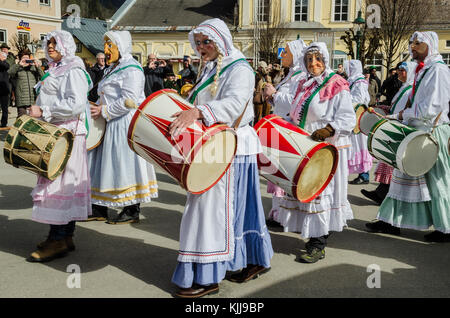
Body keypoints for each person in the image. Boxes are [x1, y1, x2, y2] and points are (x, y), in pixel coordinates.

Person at [168, 18, 273, 298]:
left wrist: (199, 112)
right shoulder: (211, 68)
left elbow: (234, 104)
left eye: (207, 42)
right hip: (217, 144)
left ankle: (210, 275)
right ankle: (250, 260)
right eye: (198, 43)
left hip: (231, 146)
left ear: (221, 40)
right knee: (233, 210)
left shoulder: (239, 68)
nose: (201, 48)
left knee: (217, 212)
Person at [366, 31, 450, 242]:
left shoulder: (438, 70)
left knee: (438, 182)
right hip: (417, 130)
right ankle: (390, 222)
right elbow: (416, 105)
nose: (412, 46)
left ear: (429, 46)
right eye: (412, 43)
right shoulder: (424, 71)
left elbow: (432, 108)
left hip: (433, 132)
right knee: (401, 179)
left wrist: (403, 114)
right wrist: (397, 116)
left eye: (418, 43)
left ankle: (446, 228)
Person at [276, 42, 356, 263]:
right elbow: (295, 112)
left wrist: (330, 129)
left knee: (318, 194)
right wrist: (286, 125)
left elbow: (348, 117)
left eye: (317, 58)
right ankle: (313, 234)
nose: (313, 63)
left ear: (326, 59)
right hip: (305, 144)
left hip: (326, 147)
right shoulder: (305, 84)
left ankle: (318, 244)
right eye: (309, 59)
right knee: (306, 190)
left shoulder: (337, 84)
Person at [25, 30, 92, 262]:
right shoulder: (58, 67)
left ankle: (57, 239)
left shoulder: (73, 68)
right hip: (57, 132)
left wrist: (44, 111)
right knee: (62, 184)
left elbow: (76, 104)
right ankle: (64, 236)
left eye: (54, 43)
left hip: (68, 135)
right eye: (48, 42)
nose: (50, 46)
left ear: (65, 45)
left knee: (59, 185)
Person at [88, 30, 158, 224]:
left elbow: (130, 100)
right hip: (110, 123)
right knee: (103, 165)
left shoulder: (132, 69)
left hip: (125, 123)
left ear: (121, 46)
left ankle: (131, 209)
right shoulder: (112, 68)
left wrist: (103, 110)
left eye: (110, 46)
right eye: (105, 46)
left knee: (125, 164)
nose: (106, 50)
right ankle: (99, 207)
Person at [262, 38, 307, 228]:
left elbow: (296, 103)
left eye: (286, 52)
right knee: (279, 173)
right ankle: (279, 213)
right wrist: (272, 97)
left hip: (290, 130)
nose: (282, 55)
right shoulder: (292, 74)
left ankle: (286, 216)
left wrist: (274, 94)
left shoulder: (301, 76)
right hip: (281, 128)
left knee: (287, 174)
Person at [361, 62, 416, 205]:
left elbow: (406, 110)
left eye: (403, 70)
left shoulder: (411, 90)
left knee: (392, 166)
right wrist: (384, 108)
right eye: (399, 70)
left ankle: (383, 195)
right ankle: (382, 193)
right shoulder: (404, 88)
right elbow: (395, 107)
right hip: (394, 125)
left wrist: (393, 116)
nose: (399, 73)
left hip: (400, 128)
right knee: (388, 163)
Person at [345, 60, 372, 185]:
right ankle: (361, 173)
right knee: (355, 145)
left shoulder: (359, 81)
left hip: (358, 117)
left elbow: (360, 99)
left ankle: (364, 175)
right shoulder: (353, 80)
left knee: (361, 145)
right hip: (352, 116)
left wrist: (345, 98)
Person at [8, 49, 44, 118]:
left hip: (33, 100)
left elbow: (43, 77)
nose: (26, 61)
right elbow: (9, 73)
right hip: (22, 101)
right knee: (21, 119)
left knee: (33, 121)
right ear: (20, 59)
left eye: (27, 59)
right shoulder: (17, 68)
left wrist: (38, 67)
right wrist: (19, 65)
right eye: (24, 59)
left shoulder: (33, 68)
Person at [0, 52, 10, 128]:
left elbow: (6, 67)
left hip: (4, 89)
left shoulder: (5, 63)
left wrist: (2, 60)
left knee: (4, 108)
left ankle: (4, 123)